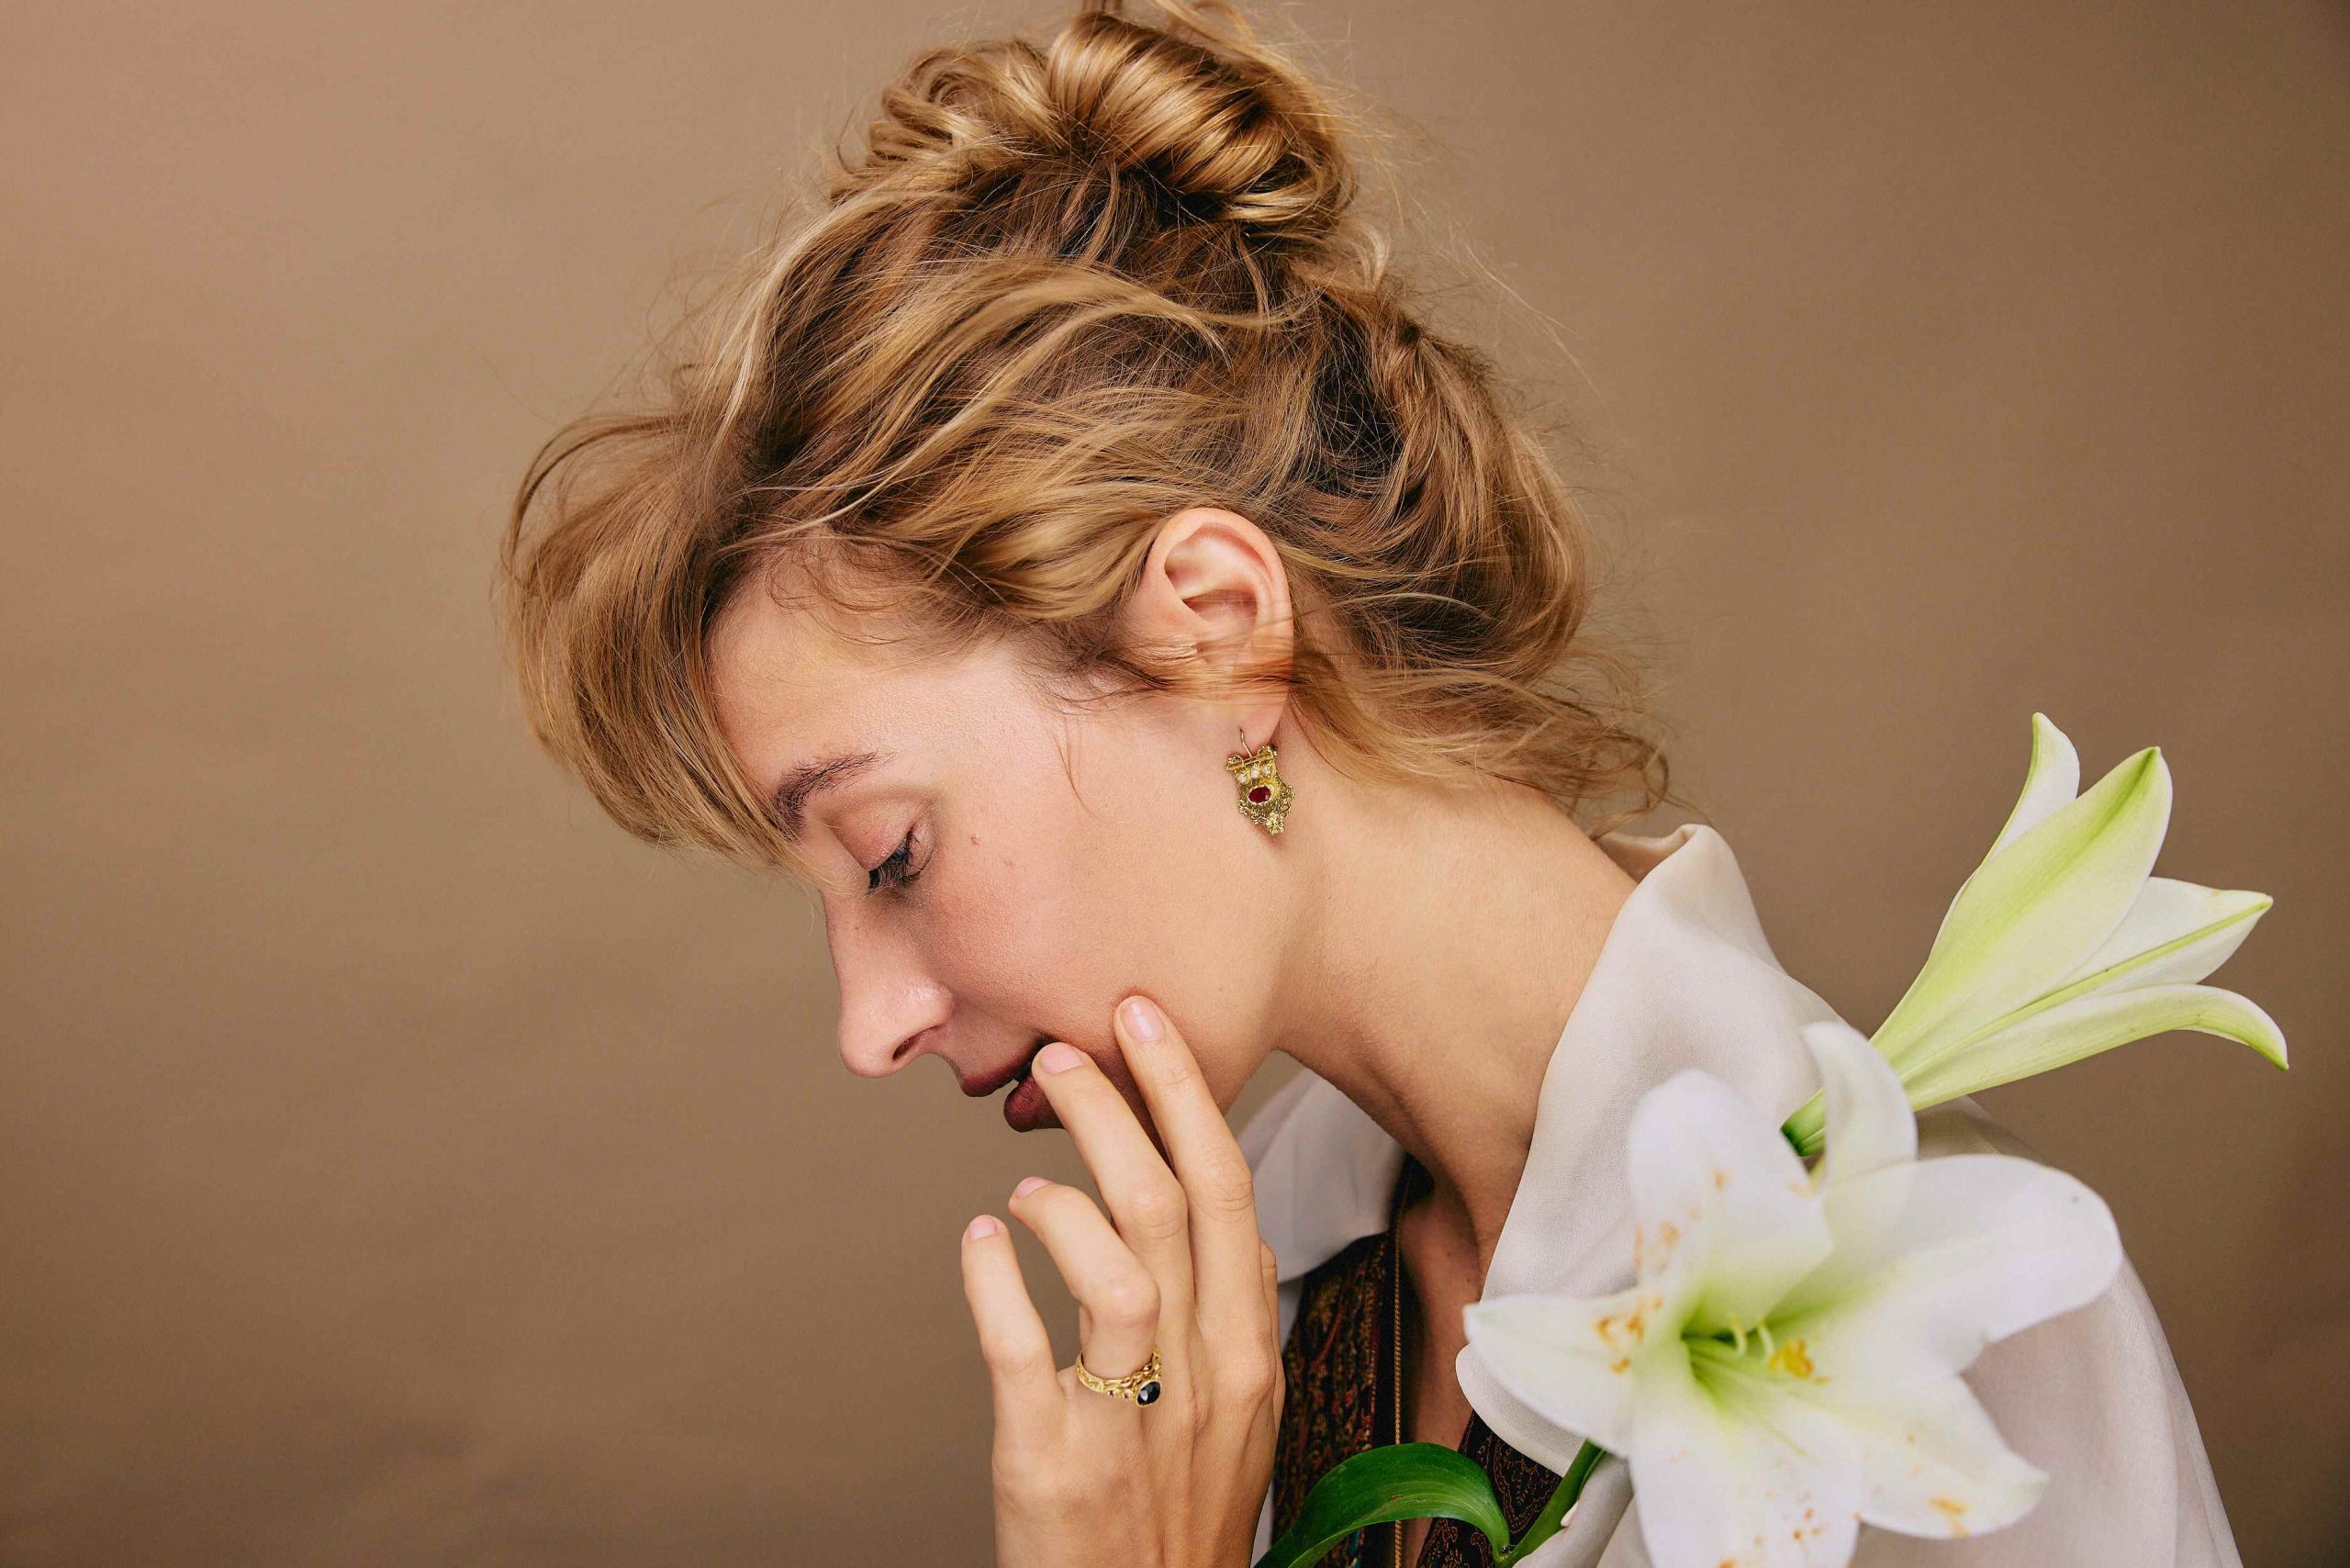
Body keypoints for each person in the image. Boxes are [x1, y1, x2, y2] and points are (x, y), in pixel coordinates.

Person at [492, 3, 2240, 1563]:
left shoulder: (1927, 1283)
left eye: (888, 856)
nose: (867, 1025)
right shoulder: (1258, 1273)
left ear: (1213, 628)